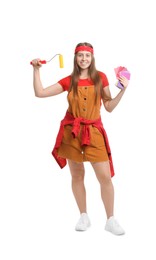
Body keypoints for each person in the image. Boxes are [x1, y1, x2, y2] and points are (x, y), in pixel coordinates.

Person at [31, 42, 129, 235]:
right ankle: (83, 216)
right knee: (77, 176)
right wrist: (36, 70)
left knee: (105, 178)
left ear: (92, 58)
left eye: (87, 55)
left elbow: (108, 106)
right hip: (72, 133)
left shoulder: (101, 78)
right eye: (80, 55)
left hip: (94, 133)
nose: (84, 59)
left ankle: (110, 219)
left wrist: (123, 90)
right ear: (75, 58)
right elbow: (40, 93)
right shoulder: (69, 80)